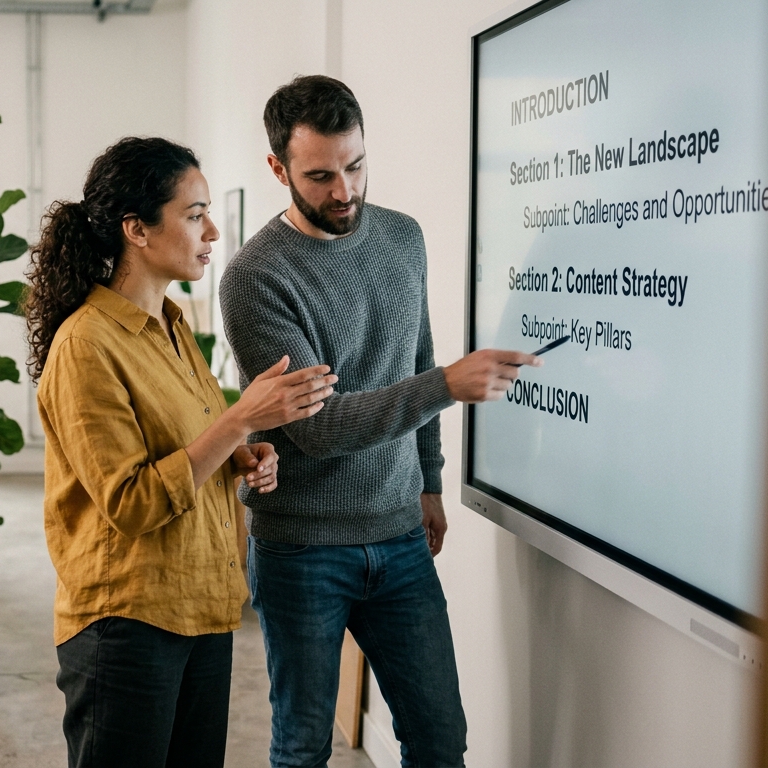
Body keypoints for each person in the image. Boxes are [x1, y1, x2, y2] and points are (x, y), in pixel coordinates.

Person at [219, 76, 541, 768]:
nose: (345, 190)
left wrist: (429, 480)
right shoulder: (255, 279)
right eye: (321, 175)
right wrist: (448, 385)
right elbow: (321, 428)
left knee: (438, 737)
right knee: (303, 747)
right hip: (302, 549)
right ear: (278, 170)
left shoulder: (402, 239)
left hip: (398, 538)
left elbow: (412, 358)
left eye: (356, 165)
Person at [26, 136, 338, 768]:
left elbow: (187, 449)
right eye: (194, 214)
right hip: (127, 623)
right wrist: (240, 420)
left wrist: (241, 458)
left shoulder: (173, 328)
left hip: (202, 608)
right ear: (136, 229)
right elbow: (131, 502)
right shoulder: (86, 344)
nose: (213, 231)